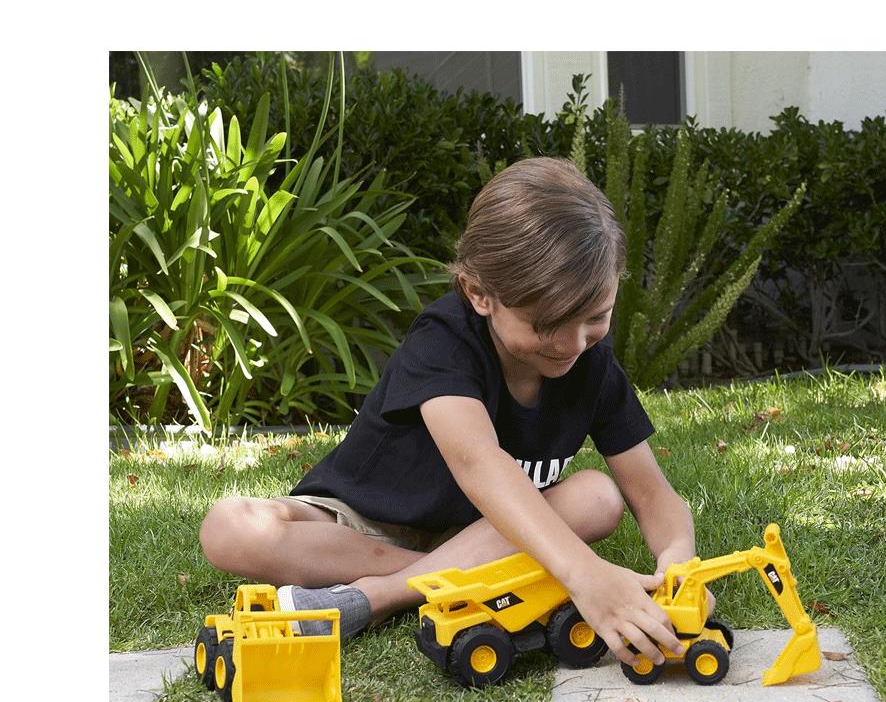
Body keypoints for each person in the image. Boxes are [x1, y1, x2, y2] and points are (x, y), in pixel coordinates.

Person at [199, 156, 713, 669]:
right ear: (479, 293)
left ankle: (378, 596)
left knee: (598, 496)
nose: (573, 344)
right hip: (360, 527)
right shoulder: (444, 340)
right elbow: (479, 464)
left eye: (596, 317)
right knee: (229, 528)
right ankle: (456, 580)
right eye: (547, 324)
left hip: (489, 533)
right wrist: (583, 574)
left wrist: (679, 569)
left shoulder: (591, 363)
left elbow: (652, 493)